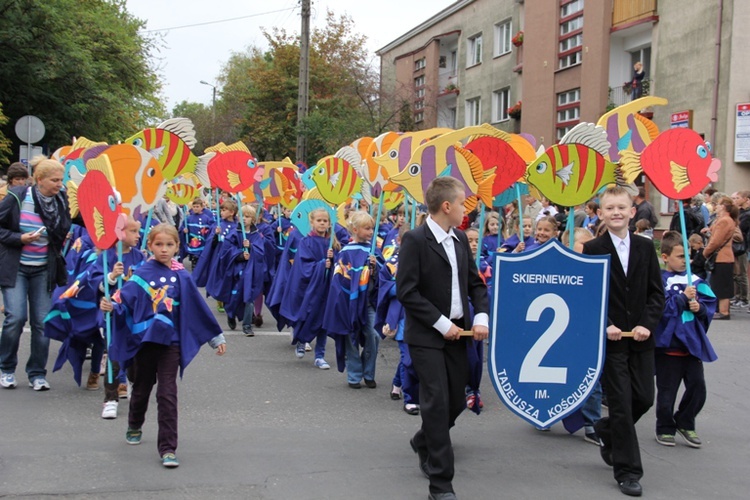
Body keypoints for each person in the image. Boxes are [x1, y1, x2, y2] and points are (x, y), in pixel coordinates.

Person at [100, 224, 226, 468]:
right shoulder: (140, 273)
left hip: (172, 342)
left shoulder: (182, 276)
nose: (164, 250)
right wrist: (112, 307)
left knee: (167, 393)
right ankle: (135, 423)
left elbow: (196, 308)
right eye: (159, 244)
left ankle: (168, 448)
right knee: (142, 388)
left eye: (170, 245)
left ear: (178, 246)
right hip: (146, 341)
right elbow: (125, 301)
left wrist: (215, 337)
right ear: (150, 246)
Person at [396, 176, 489, 500]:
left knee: (454, 402)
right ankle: (441, 484)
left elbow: (475, 284)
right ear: (446, 206)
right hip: (427, 337)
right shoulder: (415, 240)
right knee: (435, 403)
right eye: (463, 203)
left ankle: (423, 440)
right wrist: (439, 322)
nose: (466, 209)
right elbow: (406, 291)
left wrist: (480, 316)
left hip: (459, 335)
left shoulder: (461, 239)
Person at [582, 186, 664, 497]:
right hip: (613, 341)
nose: (616, 212)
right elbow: (589, 297)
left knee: (643, 398)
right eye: (609, 208)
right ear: (600, 213)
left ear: (633, 212)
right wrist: (606, 325)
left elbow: (656, 293)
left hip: (641, 339)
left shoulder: (645, 247)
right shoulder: (593, 249)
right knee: (620, 404)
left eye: (622, 207)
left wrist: (646, 324)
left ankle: (606, 430)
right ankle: (628, 471)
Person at [0, 156, 72, 391]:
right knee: (16, 318)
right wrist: (19, 238)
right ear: (39, 180)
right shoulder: (18, 197)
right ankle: (6, 368)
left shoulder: (61, 199)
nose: (59, 184)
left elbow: (75, 220)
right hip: (17, 268)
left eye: (61, 180)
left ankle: (37, 374)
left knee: (42, 322)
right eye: (54, 180)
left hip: (44, 268)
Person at [653, 231, 717, 449]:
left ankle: (685, 420)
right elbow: (659, 310)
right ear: (665, 257)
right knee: (667, 392)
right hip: (668, 347)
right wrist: (681, 298)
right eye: (680, 256)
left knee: (698, 388)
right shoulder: (659, 281)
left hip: (691, 346)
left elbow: (709, 307)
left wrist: (699, 308)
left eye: (688, 256)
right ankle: (664, 427)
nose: (686, 261)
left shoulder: (697, 282)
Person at [324, 211, 381, 387]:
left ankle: (368, 371)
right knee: (350, 337)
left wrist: (375, 268)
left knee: (374, 335)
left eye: (372, 228)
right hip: (349, 303)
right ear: (355, 229)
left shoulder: (373, 251)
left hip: (369, 303)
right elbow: (339, 277)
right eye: (367, 228)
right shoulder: (345, 252)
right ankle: (354, 375)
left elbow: (383, 276)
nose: (371, 231)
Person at [281, 208, 338, 366]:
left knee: (323, 321)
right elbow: (304, 265)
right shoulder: (306, 242)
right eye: (319, 220)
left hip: (327, 288)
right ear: (312, 222)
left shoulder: (332, 242)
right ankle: (301, 339)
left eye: (325, 221)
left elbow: (339, 264)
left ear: (329, 223)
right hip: (310, 289)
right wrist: (321, 265)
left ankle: (320, 355)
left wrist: (333, 261)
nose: (322, 223)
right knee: (306, 315)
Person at [702, 196, 739, 320]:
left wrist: (705, 252)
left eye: (717, 204)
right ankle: (722, 310)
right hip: (724, 256)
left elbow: (716, 241)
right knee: (720, 284)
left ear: (723, 206)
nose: (715, 206)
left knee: (722, 286)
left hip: (722, 257)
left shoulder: (725, 221)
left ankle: (723, 311)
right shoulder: (724, 220)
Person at [730, 191, 749, 309]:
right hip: (738, 246)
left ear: (745, 199)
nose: (735, 200)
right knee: (736, 273)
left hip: (743, 246)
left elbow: (742, 229)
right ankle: (737, 296)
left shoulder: (747, 214)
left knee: (742, 273)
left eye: (737, 198)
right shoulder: (740, 212)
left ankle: (744, 298)